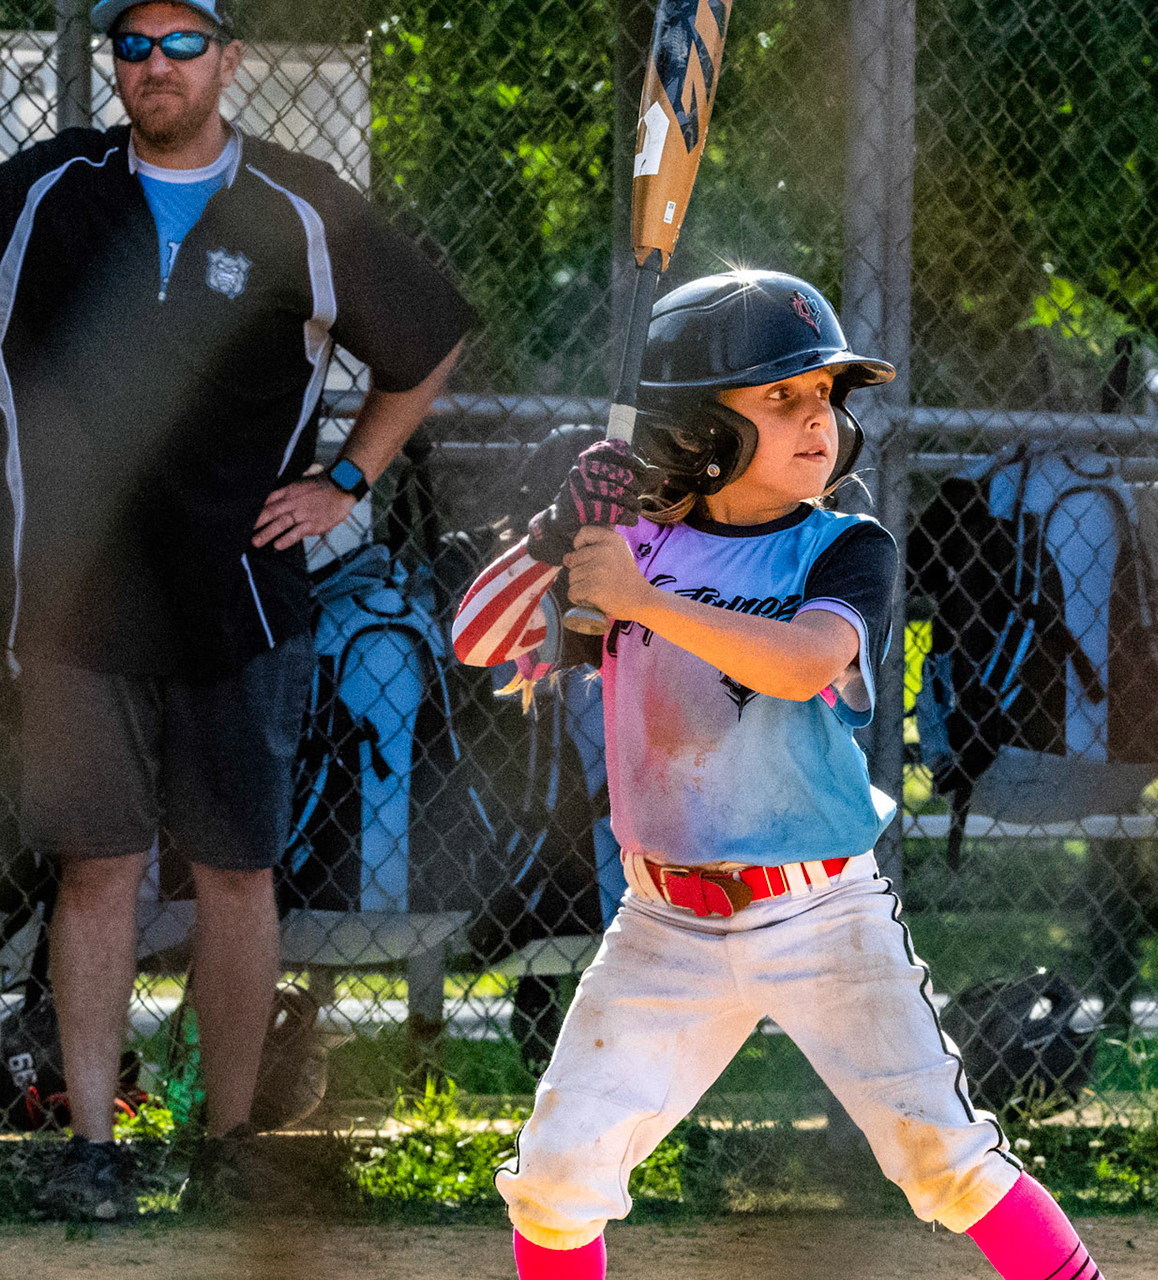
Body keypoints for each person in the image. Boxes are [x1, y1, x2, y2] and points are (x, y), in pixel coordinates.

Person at [0, 0, 473, 1218]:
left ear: (228, 59)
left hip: (242, 601)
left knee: (235, 871)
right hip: (73, 608)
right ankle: (95, 1151)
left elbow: (429, 339)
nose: (154, 66)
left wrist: (348, 480)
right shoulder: (44, 196)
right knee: (95, 870)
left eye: (180, 42)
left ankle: (230, 1148)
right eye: (133, 46)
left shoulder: (302, 205)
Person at [458, 270, 1104, 1280]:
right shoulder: (634, 548)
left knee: (948, 1160)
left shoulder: (844, 547)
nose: (819, 423)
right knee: (554, 1177)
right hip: (664, 923)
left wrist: (642, 596)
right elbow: (476, 638)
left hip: (823, 916)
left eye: (824, 401)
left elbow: (803, 661)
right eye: (780, 399)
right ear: (696, 433)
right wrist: (555, 536)